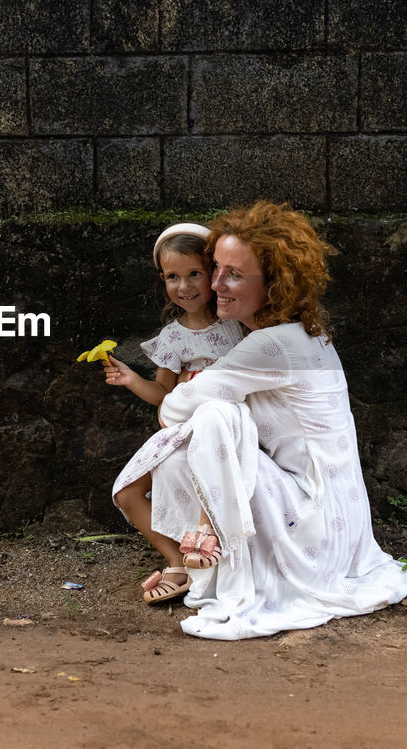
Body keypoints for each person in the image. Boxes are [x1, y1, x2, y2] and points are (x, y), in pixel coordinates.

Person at [111, 201, 407, 639]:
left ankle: (210, 547)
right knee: (193, 442)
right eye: (214, 269)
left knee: (216, 413)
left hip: (314, 529)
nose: (216, 284)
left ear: (275, 283)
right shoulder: (301, 331)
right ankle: (198, 561)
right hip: (332, 521)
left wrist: (199, 388)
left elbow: (173, 410)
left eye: (234, 274)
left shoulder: (271, 344)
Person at [100, 223, 244, 603]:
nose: (185, 286)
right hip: (179, 429)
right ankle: (176, 563)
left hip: (227, 431)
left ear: (212, 272)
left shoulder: (238, 324)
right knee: (127, 491)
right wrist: (131, 379)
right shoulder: (172, 337)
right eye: (173, 277)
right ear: (162, 280)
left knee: (194, 477)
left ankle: (208, 557)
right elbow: (162, 394)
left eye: (194, 273)